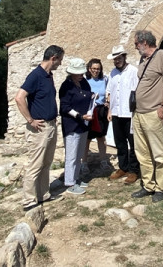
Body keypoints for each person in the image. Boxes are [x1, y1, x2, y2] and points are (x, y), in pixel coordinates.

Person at [15, 45, 65, 212]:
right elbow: (19, 97)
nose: (60, 63)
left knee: (46, 162)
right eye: (60, 60)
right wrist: (30, 120)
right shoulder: (35, 75)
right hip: (40, 127)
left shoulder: (48, 76)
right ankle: (29, 199)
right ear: (53, 58)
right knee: (35, 164)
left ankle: (43, 193)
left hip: (51, 124)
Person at [130, 30, 163, 203]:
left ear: (144, 42)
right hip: (139, 113)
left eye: (136, 44)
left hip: (153, 112)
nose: (135, 47)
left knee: (159, 152)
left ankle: (161, 187)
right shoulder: (143, 60)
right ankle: (148, 185)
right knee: (142, 152)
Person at [59, 58, 94, 195]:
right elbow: (65, 107)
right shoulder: (66, 86)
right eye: (78, 73)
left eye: (82, 73)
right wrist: (79, 116)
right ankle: (69, 182)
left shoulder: (84, 82)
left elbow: (87, 95)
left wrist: (92, 97)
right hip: (72, 124)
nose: (81, 75)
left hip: (83, 124)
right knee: (71, 155)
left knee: (79, 154)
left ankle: (76, 177)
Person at [106, 45, 140, 184]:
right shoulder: (112, 73)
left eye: (119, 58)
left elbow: (136, 92)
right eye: (115, 59)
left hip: (129, 113)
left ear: (124, 57)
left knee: (132, 143)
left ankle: (133, 170)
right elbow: (110, 93)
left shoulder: (133, 71)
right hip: (116, 113)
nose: (117, 61)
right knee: (119, 142)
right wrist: (109, 110)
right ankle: (123, 167)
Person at [83, 58, 112, 172]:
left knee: (101, 136)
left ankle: (103, 161)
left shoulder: (105, 79)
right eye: (94, 68)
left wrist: (107, 102)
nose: (96, 71)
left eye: (98, 69)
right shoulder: (84, 80)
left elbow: (108, 93)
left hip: (101, 111)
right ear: (89, 69)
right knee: (87, 138)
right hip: (89, 111)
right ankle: (84, 163)